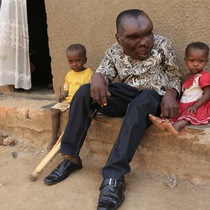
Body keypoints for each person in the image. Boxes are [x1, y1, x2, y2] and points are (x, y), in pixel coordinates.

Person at [44, 9, 181, 210]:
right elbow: (103, 74)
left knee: (142, 101)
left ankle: (114, 176)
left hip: (153, 97)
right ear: (119, 38)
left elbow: (174, 76)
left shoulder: (162, 45)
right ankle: (71, 157)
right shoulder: (113, 52)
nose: (145, 42)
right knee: (84, 91)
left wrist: (171, 93)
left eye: (148, 33)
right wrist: (97, 78)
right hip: (127, 96)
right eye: (134, 37)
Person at [149, 42, 210, 136]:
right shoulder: (185, 77)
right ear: (185, 61)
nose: (196, 64)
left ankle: (176, 127)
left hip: (198, 105)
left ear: (206, 61)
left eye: (200, 61)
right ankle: (163, 123)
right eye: (192, 60)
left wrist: (195, 106)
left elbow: (207, 94)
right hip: (185, 103)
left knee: (187, 116)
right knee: (175, 112)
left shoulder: (204, 76)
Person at [47, 44, 93, 151]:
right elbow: (66, 89)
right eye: (70, 61)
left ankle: (68, 140)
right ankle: (54, 137)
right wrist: (63, 95)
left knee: (72, 115)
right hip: (68, 100)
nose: (74, 64)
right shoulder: (69, 75)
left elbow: (89, 91)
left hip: (79, 103)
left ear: (85, 60)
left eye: (77, 61)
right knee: (54, 111)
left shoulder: (89, 74)